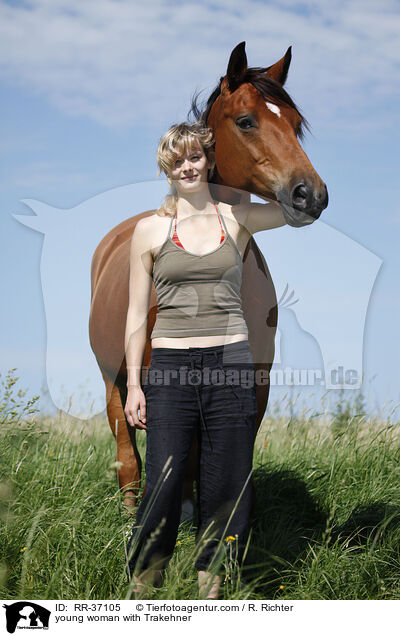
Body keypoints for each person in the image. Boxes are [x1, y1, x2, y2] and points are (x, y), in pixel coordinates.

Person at [124, 121, 286, 599]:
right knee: (162, 486)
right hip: (170, 370)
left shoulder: (236, 218)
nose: (187, 166)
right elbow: (136, 315)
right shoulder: (149, 231)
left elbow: (298, 210)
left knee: (227, 489)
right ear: (166, 169)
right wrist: (135, 385)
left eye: (195, 156)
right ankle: (143, 593)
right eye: (177, 160)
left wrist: (262, 164)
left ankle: (210, 598)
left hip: (231, 366)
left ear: (208, 161)